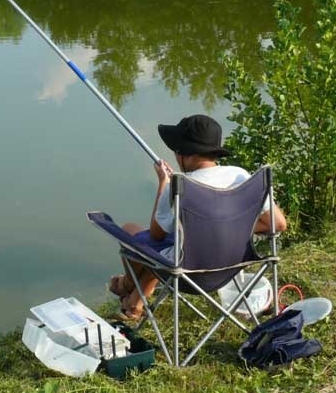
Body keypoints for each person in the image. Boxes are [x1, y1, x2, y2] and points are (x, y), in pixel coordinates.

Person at [107, 114, 287, 320]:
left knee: (130, 233)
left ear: (187, 154)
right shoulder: (241, 176)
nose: (175, 154)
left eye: (176, 149)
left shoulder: (179, 185)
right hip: (232, 267)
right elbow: (278, 224)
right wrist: (230, 226)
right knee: (172, 244)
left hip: (188, 275)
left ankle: (127, 285)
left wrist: (164, 183)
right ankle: (133, 299)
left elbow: (157, 235)